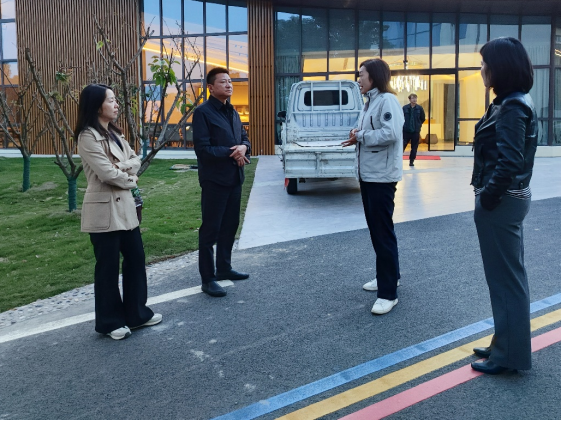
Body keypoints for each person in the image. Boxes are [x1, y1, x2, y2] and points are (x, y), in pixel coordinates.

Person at [470, 37, 538, 375]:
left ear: (500, 67)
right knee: (508, 278)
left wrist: (487, 197)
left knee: (505, 281)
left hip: (501, 202)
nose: (482, 68)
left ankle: (508, 356)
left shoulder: (512, 107)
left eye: (485, 63)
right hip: (507, 200)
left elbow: (509, 162)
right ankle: (506, 343)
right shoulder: (509, 101)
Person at [77, 84, 162, 341]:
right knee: (108, 268)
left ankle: (137, 314)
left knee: (136, 260)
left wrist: (123, 167)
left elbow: (136, 159)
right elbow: (107, 174)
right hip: (103, 212)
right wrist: (130, 177)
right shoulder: (88, 136)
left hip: (125, 209)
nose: (116, 105)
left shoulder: (115, 133)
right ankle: (110, 321)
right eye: (111, 100)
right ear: (97, 106)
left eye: (115, 100)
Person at [342, 59, 404, 315]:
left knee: (382, 232)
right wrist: (357, 133)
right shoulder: (370, 102)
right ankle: (389, 276)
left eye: (361, 75)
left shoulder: (387, 101)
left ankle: (388, 294)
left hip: (381, 178)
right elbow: (371, 131)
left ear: (374, 76)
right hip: (369, 176)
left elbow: (391, 133)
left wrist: (362, 136)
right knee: (379, 231)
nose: (358, 80)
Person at [193, 68, 252, 298]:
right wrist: (233, 152)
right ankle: (208, 279)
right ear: (210, 87)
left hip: (235, 178)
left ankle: (224, 268)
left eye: (230, 82)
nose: (229, 85)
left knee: (230, 226)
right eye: (223, 82)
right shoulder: (203, 113)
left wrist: (244, 147)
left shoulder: (233, 112)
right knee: (211, 230)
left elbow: (244, 138)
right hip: (214, 181)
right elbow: (203, 149)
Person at [402, 93, 426, 167]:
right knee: (402, 146)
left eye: (415, 98)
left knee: (414, 147)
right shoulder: (405, 108)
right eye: (413, 98)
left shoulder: (419, 108)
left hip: (415, 131)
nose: (414, 100)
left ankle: (411, 161)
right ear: (409, 99)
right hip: (406, 131)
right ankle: (398, 160)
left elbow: (422, 118)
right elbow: (401, 117)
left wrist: (418, 125)